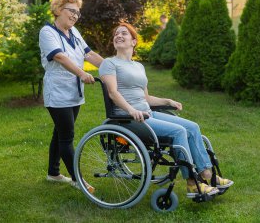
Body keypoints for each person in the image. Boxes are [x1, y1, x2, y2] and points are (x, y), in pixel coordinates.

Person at [99, 22, 233, 197]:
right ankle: (192, 183)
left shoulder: (138, 66)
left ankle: (207, 174)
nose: (118, 35)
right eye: (116, 34)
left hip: (147, 113)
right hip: (127, 119)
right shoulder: (109, 63)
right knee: (178, 132)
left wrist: (167, 100)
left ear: (133, 41)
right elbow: (113, 93)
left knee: (192, 127)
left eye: (124, 33)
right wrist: (131, 110)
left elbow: (146, 98)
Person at [39, 0, 103, 192]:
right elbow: (59, 56)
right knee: (67, 137)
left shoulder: (74, 31)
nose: (75, 16)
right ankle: (78, 180)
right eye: (72, 11)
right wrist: (82, 72)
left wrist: (113, 67)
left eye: (78, 13)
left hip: (74, 93)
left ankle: (53, 173)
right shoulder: (47, 31)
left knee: (59, 133)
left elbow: (89, 54)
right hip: (57, 93)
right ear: (58, 10)